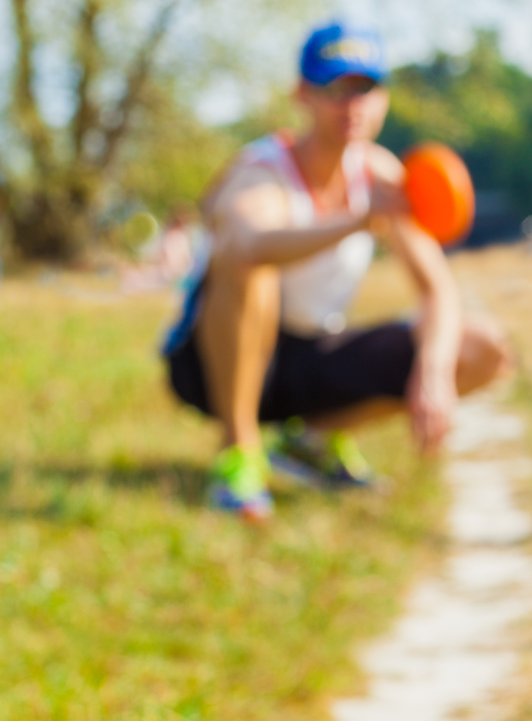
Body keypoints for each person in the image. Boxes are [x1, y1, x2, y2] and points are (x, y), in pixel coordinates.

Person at [160, 19, 513, 520]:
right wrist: (355, 221)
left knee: (481, 348)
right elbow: (246, 244)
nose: (352, 105)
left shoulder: (381, 173)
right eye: (335, 90)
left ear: (384, 98)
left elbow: (438, 290)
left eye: (364, 89)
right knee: (249, 267)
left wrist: (433, 373)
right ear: (302, 95)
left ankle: (309, 442)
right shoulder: (262, 169)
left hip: (312, 353)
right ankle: (238, 454)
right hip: (212, 363)